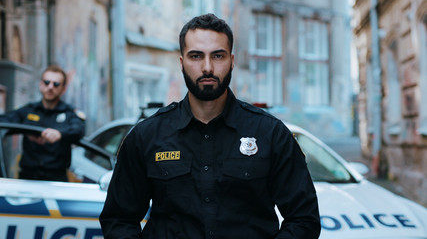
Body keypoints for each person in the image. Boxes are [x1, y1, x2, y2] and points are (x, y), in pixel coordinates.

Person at [100, 14, 320, 238]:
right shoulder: (147, 136)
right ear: (182, 62)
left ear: (232, 61)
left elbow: (304, 219)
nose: (207, 67)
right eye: (196, 56)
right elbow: (118, 220)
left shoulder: (270, 133)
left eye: (218, 56)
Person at [0, 65, 85, 182]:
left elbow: (79, 129)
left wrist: (60, 134)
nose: (50, 87)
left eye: (56, 84)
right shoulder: (28, 111)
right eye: (46, 82)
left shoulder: (69, 113)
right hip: (28, 180)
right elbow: (5, 122)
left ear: (63, 89)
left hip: (56, 180)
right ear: (41, 84)